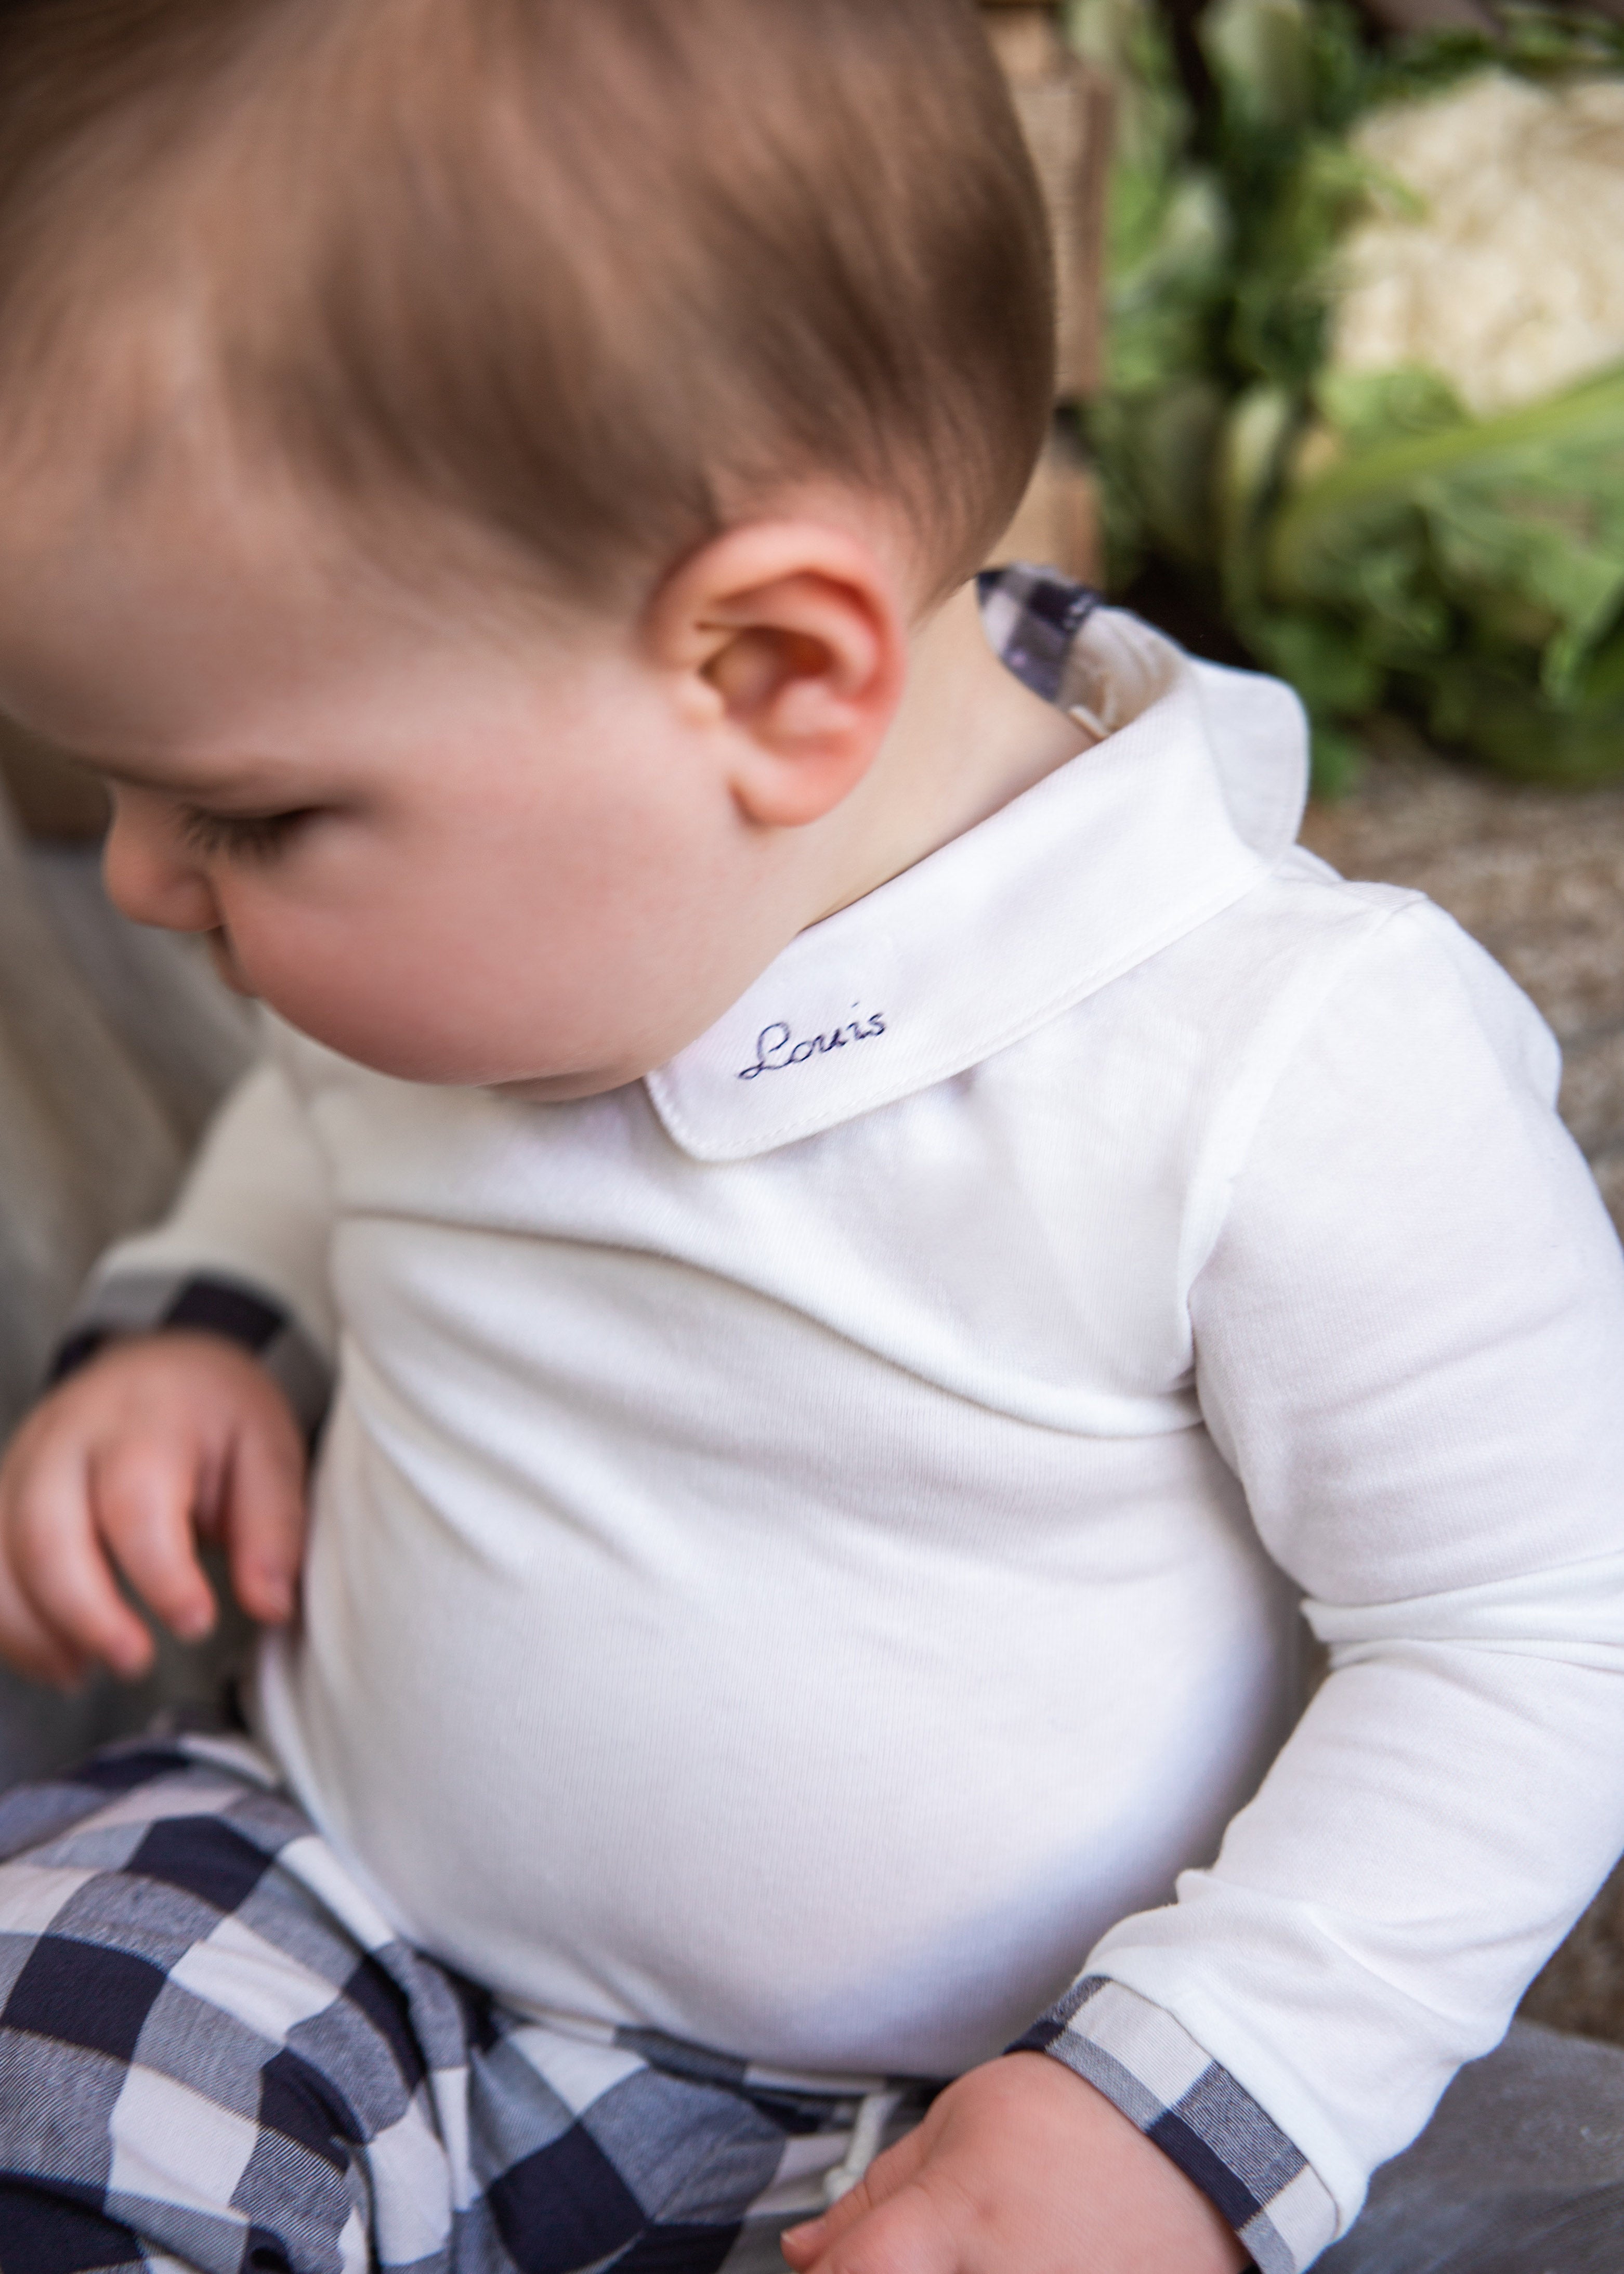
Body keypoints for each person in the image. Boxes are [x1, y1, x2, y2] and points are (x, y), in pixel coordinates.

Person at [0, 2, 1620, 2269]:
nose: (153, 886)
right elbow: (319, 1097)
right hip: (350, 1913)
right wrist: (212, 1317)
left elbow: (1535, 1630)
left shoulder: (1275, 1062)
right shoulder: (464, 935)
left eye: (248, 811)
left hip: (997, 2106)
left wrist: (1173, 2118)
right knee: (43, 2020)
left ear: (766, 673)